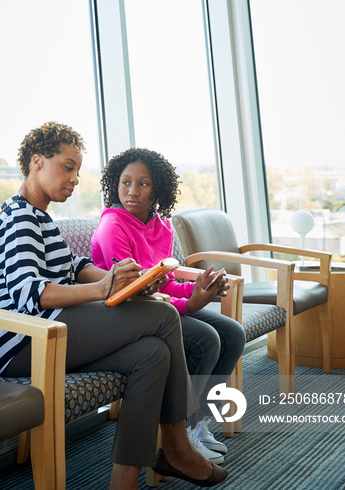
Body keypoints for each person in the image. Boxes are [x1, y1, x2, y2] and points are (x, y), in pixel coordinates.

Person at [0, 122, 228, 490]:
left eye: (77, 171)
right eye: (67, 167)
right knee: (162, 314)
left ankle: (124, 480)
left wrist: (128, 280)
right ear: (36, 162)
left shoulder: (40, 218)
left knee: (153, 354)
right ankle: (176, 445)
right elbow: (30, 293)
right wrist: (104, 288)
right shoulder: (19, 217)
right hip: (20, 343)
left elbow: (73, 267)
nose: (75, 178)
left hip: (51, 332)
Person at [91, 147, 246, 464]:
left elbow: (164, 281)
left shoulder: (161, 226)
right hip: (129, 313)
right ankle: (182, 428)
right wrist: (190, 303)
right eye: (125, 182)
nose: (132, 191)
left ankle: (194, 416)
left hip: (157, 305)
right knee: (205, 340)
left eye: (143, 184)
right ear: (114, 185)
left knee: (233, 334)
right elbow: (136, 291)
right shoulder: (112, 228)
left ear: (157, 190)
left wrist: (198, 289)